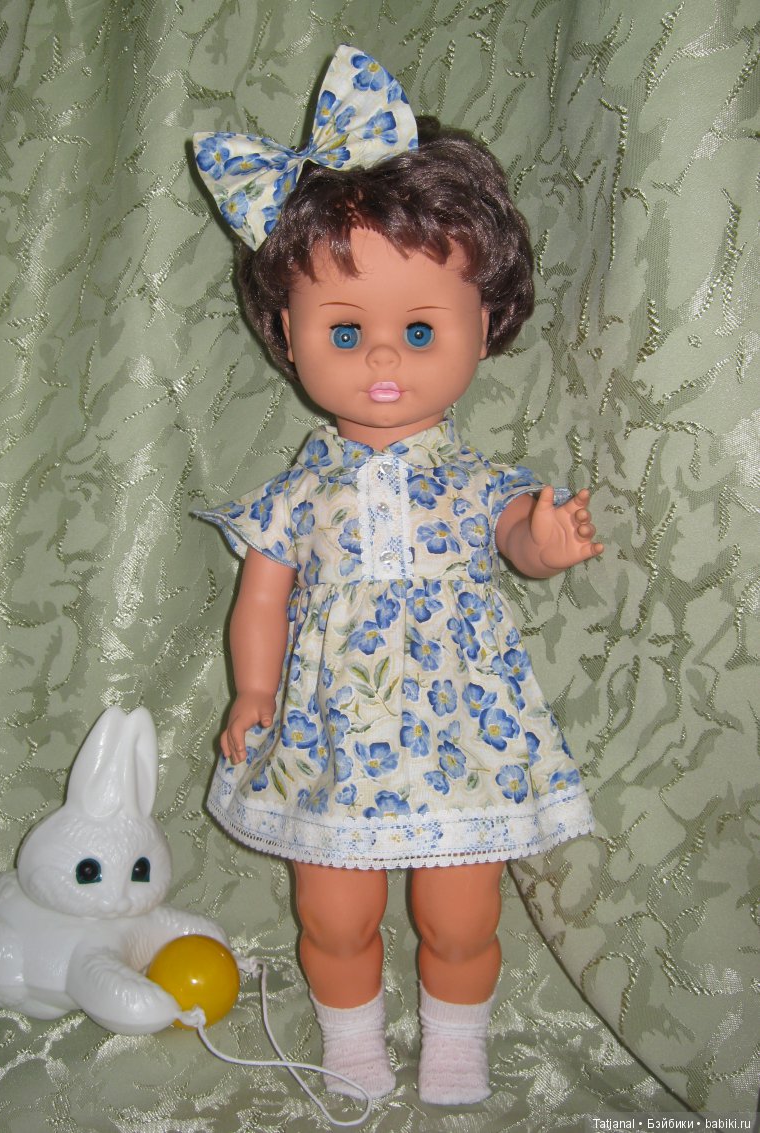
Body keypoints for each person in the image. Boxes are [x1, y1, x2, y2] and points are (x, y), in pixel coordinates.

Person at [193, 46, 602, 1106]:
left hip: (463, 733)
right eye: (345, 329)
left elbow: (511, 530)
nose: (383, 357)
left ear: (483, 324)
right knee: (332, 913)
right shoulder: (301, 489)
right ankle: (351, 1042)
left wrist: (542, 540)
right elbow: (264, 592)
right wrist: (252, 690)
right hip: (330, 733)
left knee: (460, 916)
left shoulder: (474, 477)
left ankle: (457, 1045)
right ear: (289, 335)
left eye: (419, 328)